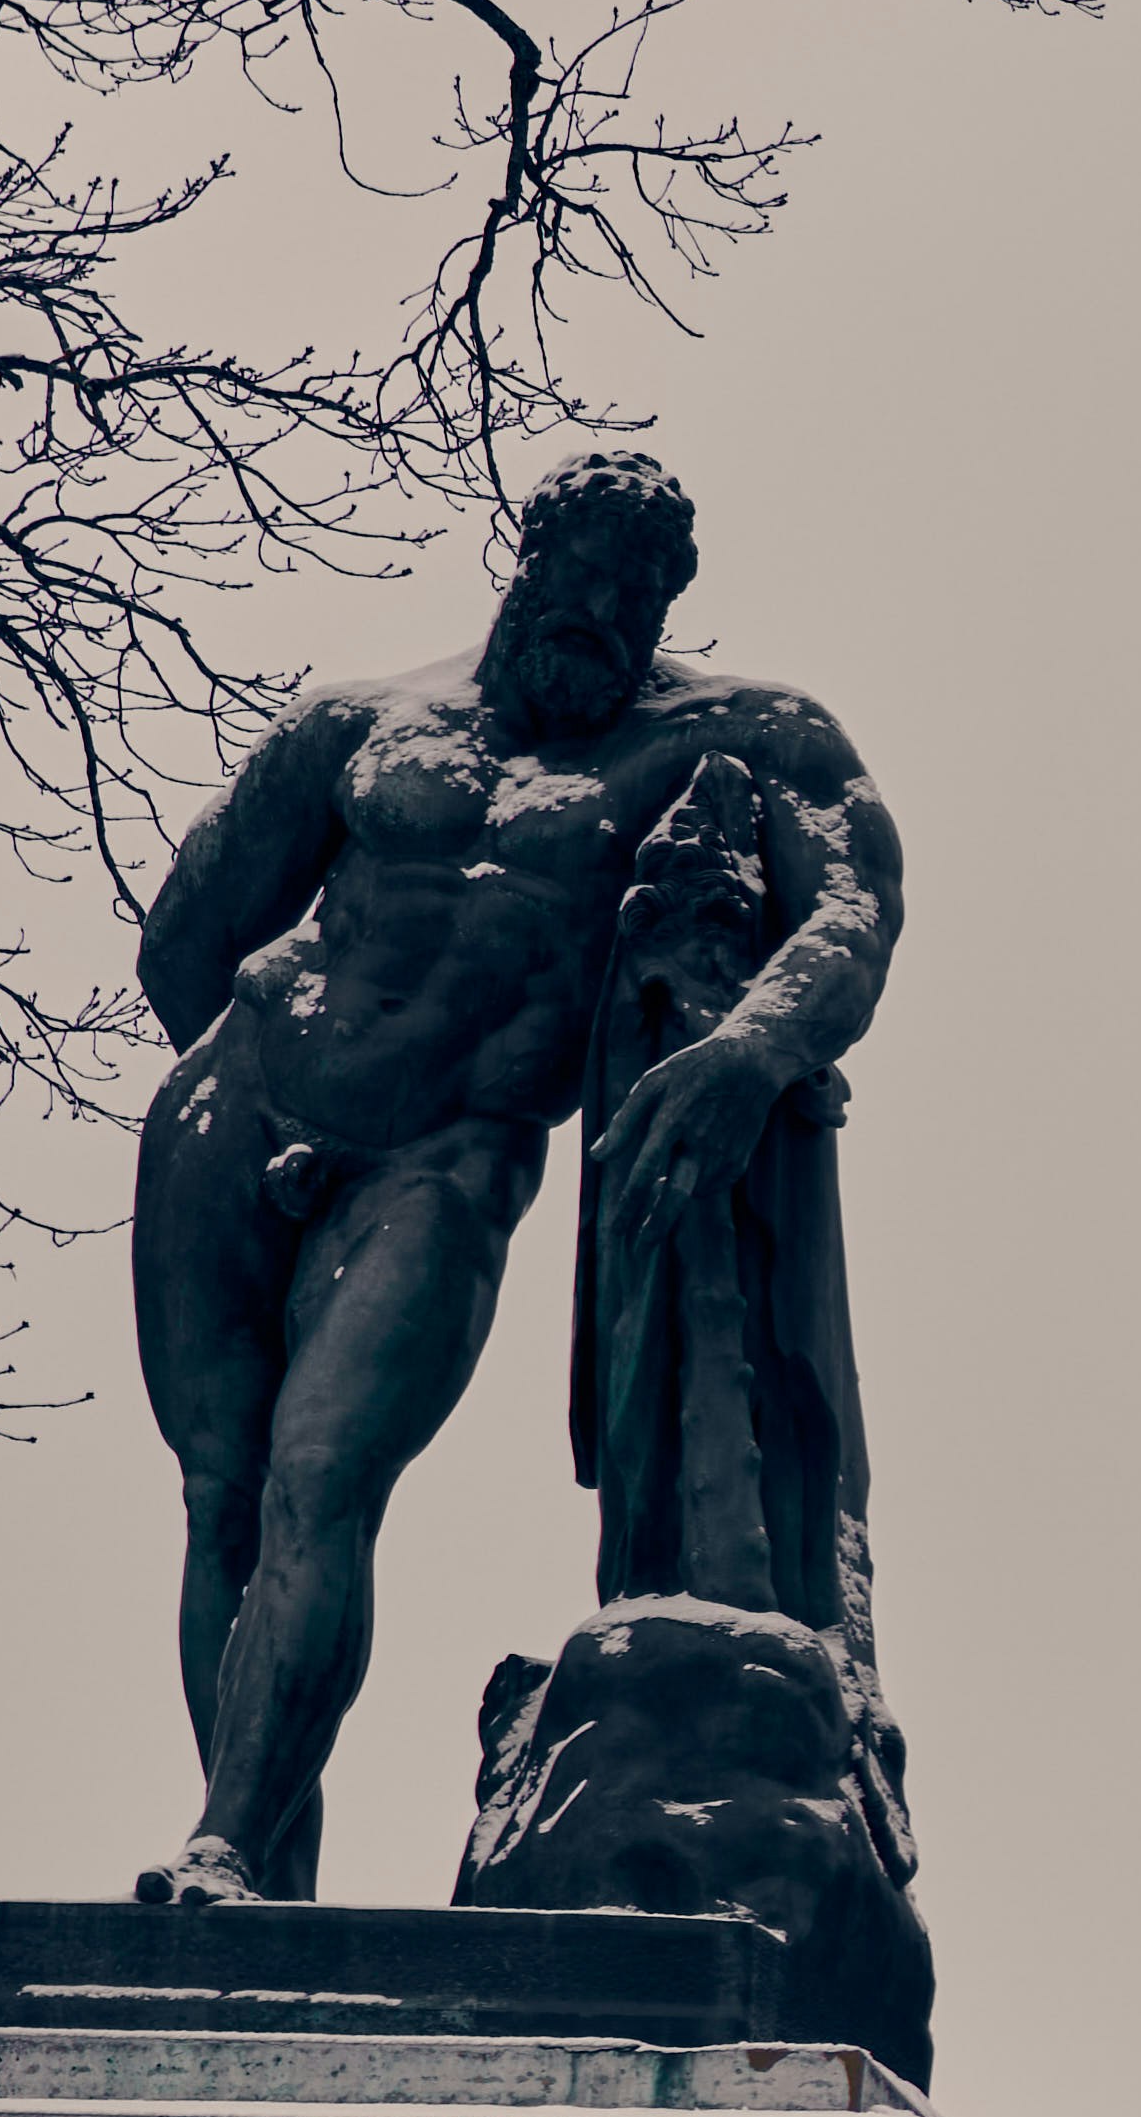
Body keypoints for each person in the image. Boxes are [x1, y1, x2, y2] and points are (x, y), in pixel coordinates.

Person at [117, 453, 898, 1899]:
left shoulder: (739, 734)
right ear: (521, 563)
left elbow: (852, 910)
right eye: (575, 573)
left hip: (451, 1157)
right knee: (219, 1495)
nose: (599, 609)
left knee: (318, 1475)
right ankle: (259, 1874)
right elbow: (187, 936)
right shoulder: (359, 720)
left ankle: (222, 1844)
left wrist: (750, 1052)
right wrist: (289, 1082)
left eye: (635, 590)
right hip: (234, 1105)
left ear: (667, 607)